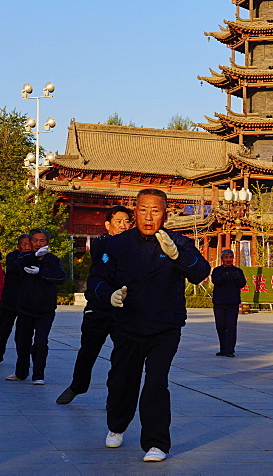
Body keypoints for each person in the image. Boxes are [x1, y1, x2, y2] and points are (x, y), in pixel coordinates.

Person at [87, 188, 211, 463]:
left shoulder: (178, 242)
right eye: (143, 210)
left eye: (155, 210)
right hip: (127, 325)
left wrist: (178, 256)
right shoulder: (117, 245)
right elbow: (95, 280)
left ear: (165, 213)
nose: (148, 216)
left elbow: (201, 271)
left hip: (165, 327)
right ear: (134, 212)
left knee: (156, 382)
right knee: (123, 381)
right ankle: (116, 425)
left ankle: (156, 443)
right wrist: (108, 294)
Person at [56, 205, 132, 405]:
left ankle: (114, 395)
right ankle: (77, 386)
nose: (123, 225)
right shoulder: (102, 243)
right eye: (118, 221)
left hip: (124, 309)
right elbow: (102, 253)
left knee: (122, 355)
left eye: (127, 221)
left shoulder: (136, 246)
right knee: (88, 351)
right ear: (108, 225)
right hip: (98, 307)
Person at [7, 229, 66, 384]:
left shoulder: (53, 260)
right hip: (25, 307)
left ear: (46, 243)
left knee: (40, 342)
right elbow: (13, 267)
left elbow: (61, 277)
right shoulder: (24, 257)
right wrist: (34, 256)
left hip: (45, 309)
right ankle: (21, 373)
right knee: (22, 341)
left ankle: (38, 375)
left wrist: (41, 272)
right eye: (35, 240)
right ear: (30, 241)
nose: (38, 244)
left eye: (42, 241)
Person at [0, 234, 32, 365]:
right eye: (24, 244)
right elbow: (14, 267)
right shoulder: (12, 256)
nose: (27, 247)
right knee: (3, 330)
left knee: (23, 334)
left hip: (26, 301)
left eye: (29, 244)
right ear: (18, 245)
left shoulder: (36, 257)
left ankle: (23, 362)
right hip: (10, 300)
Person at [212, 250, 247, 357]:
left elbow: (242, 284)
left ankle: (230, 350)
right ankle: (223, 348)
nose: (228, 259)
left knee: (231, 326)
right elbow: (215, 281)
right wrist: (224, 277)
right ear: (222, 259)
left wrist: (236, 278)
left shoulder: (238, 271)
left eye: (230, 257)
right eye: (226, 257)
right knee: (220, 326)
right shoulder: (217, 270)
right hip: (219, 302)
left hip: (233, 303)